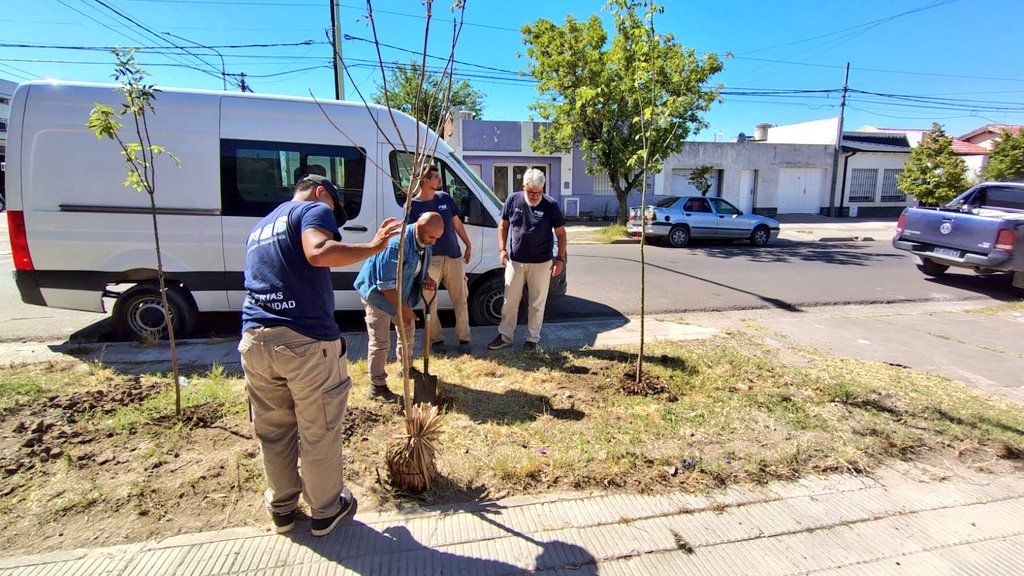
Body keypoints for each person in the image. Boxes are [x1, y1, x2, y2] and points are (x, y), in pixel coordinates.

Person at [239, 174, 402, 538]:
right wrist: (374, 246)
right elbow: (318, 252)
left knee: (275, 432)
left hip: (255, 340)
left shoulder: (261, 225)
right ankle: (326, 510)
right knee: (319, 430)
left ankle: (281, 509)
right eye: (333, 210)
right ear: (320, 191)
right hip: (305, 342)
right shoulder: (313, 208)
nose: (330, 218)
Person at [355, 212, 444, 401]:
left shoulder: (424, 243)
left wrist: (426, 279)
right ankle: (377, 386)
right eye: (431, 237)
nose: (434, 242)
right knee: (381, 342)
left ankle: (406, 368)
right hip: (377, 296)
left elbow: (417, 268)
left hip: (401, 294)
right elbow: (385, 286)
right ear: (419, 228)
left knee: (408, 331)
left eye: (437, 238)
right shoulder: (397, 244)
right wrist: (404, 311)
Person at [487, 169, 567, 352]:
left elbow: (562, 234)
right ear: (523, 186)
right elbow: (503, 225)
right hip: (515, 261)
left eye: (539, 192)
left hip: (542, 262)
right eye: (531, 192)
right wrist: (502, 249)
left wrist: (559, 260)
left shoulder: (550, 205)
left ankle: (532, 339)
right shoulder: (513, 200)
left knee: (536, 303)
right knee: (509, 302)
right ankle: (505, 336)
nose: (535, 196)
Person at [407, 164, 473, 356]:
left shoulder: (444, 198)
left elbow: (457, 223)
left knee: (461, 299)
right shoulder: (412, 205)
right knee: (430, 302)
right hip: (430, 260)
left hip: (453, 257)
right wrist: (420, 264)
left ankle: (464, 338)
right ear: (425, 180)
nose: (439, 180)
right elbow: (412, 236)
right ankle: (436, 339)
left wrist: (468, 244)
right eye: (435, 176)